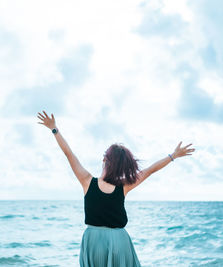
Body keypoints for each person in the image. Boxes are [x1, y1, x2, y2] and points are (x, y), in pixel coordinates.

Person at [37, 110, 195, 267]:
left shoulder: (86, 181)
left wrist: (54, 129)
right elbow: (150, 170)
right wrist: (173, 156)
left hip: (94, 241)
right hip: (119, 242)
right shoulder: (124, 186)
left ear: (105, 159)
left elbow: (68, 154)